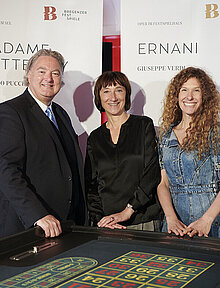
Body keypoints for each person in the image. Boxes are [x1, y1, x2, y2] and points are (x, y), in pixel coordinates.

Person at [0, 49, 87, 238]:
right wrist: (37, 215)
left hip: (64, 227)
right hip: (29, 229)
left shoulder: (61, 114)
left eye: (55, 73)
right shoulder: (11, 112)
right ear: (29, 75)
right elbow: (6, 170)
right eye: (41, 71)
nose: (49, 78)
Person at [85, 71, 161, 230]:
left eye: (119, 90)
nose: (113, 97)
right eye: (106, 91)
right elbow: (92, 186)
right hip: (108, 225)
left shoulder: (143, 125)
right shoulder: (95, 137)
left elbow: (152, 172)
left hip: (143, 220)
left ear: (127, 95)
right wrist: (100, 220)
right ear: (99, 97)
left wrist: (128, 210)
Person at [157, 67, 220, 238]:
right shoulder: (166, 135)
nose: (189, 96)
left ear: (204, 96)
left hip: (212, 226)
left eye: (196, 90)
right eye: (184, 90)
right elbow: (163, 184)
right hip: (175, 226)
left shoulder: (215, 134)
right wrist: (170, 218)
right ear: (176, 95)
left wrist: (206, 220)